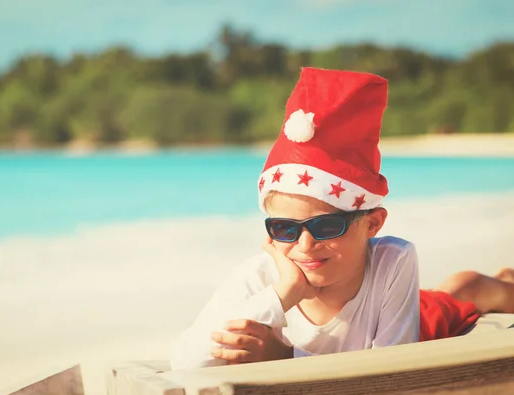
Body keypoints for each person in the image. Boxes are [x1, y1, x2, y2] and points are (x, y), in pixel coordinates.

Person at [169, 67, 514, 370]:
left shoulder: (393, 261)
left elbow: (392, 373)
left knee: (468, 290)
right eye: (285, 228)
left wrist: (286, 358)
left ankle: (495, 281)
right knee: (453, 290)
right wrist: (283, 293)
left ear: (373, 223)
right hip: (388, 316)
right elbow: (187, 361)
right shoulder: (258, 278)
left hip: (417, 323)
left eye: (326, 226)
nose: (304, 245)